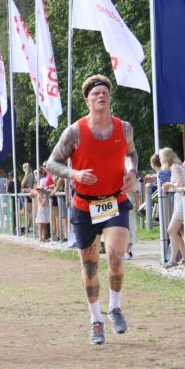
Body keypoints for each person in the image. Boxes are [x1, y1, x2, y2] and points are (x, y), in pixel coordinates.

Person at [44, 75, 139, 345]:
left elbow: (131, 154)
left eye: (105, 93)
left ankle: (115, 307)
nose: (101, 96)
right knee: (89, 267)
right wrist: (74, 173)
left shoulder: (124, 128)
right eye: (96, 93)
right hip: (85, 206)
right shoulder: (74, 131)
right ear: (87, 100)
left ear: (110, 99)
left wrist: (132, 172)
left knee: (116, 255)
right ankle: (96, 320)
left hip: (114, 200)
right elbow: (51, 163)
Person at [160, 147, 185, 267]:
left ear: (165, 159)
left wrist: (168, 184)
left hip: (183, 200)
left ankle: (173, 260)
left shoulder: (174, 167)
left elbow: (179, 184)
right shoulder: (179, 166)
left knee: (171, 230)